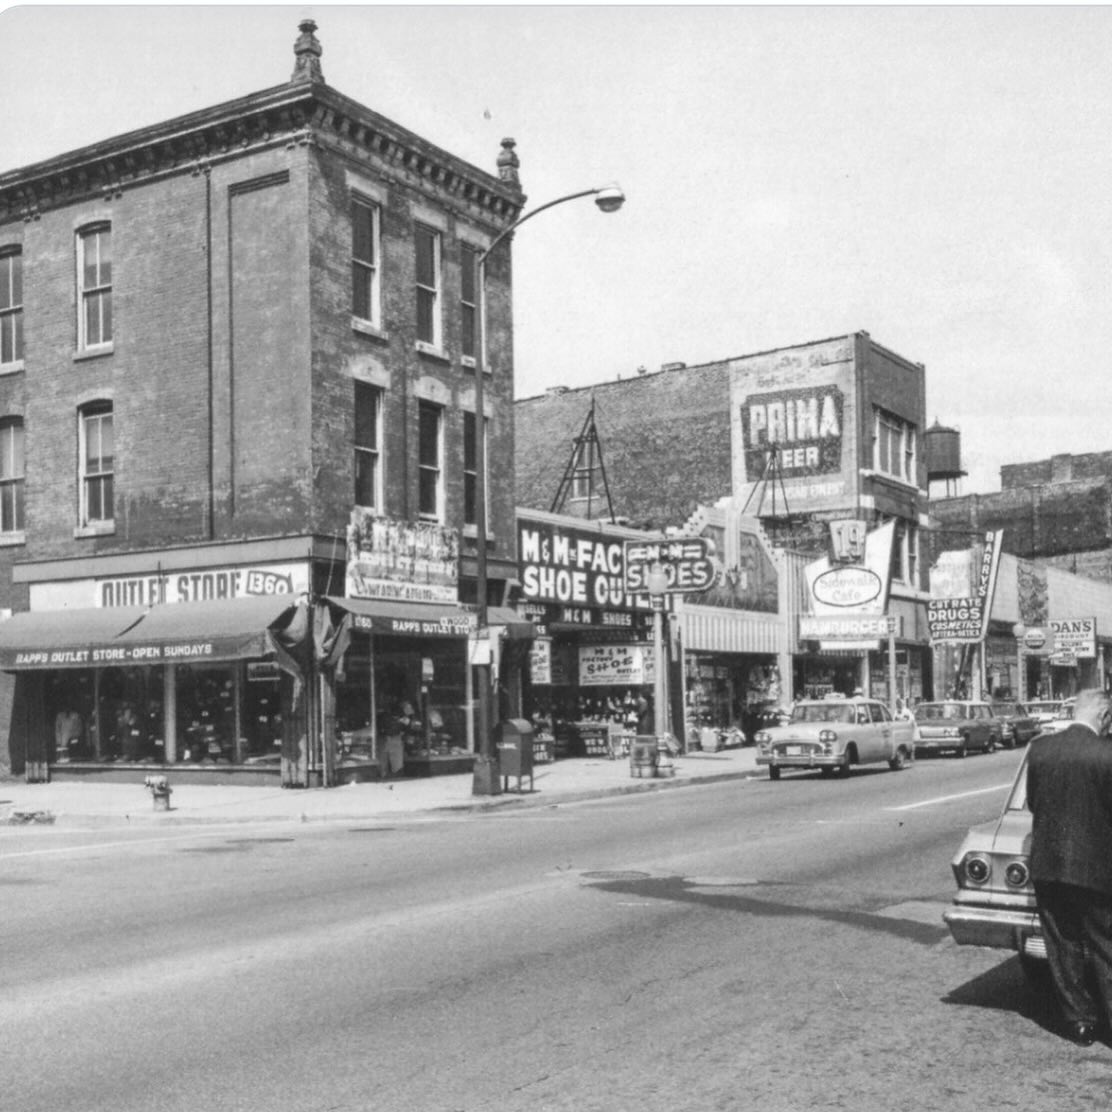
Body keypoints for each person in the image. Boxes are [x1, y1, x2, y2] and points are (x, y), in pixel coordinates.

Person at [1026, 687, 1112, 1046]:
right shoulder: (1107, 753)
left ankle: (1079, 1022)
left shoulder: (1040, 748)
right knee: (1105, 945)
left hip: (1047, 864)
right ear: (1104, 717)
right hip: (1096, 867)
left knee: (1062, 945)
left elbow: (1033, 803)